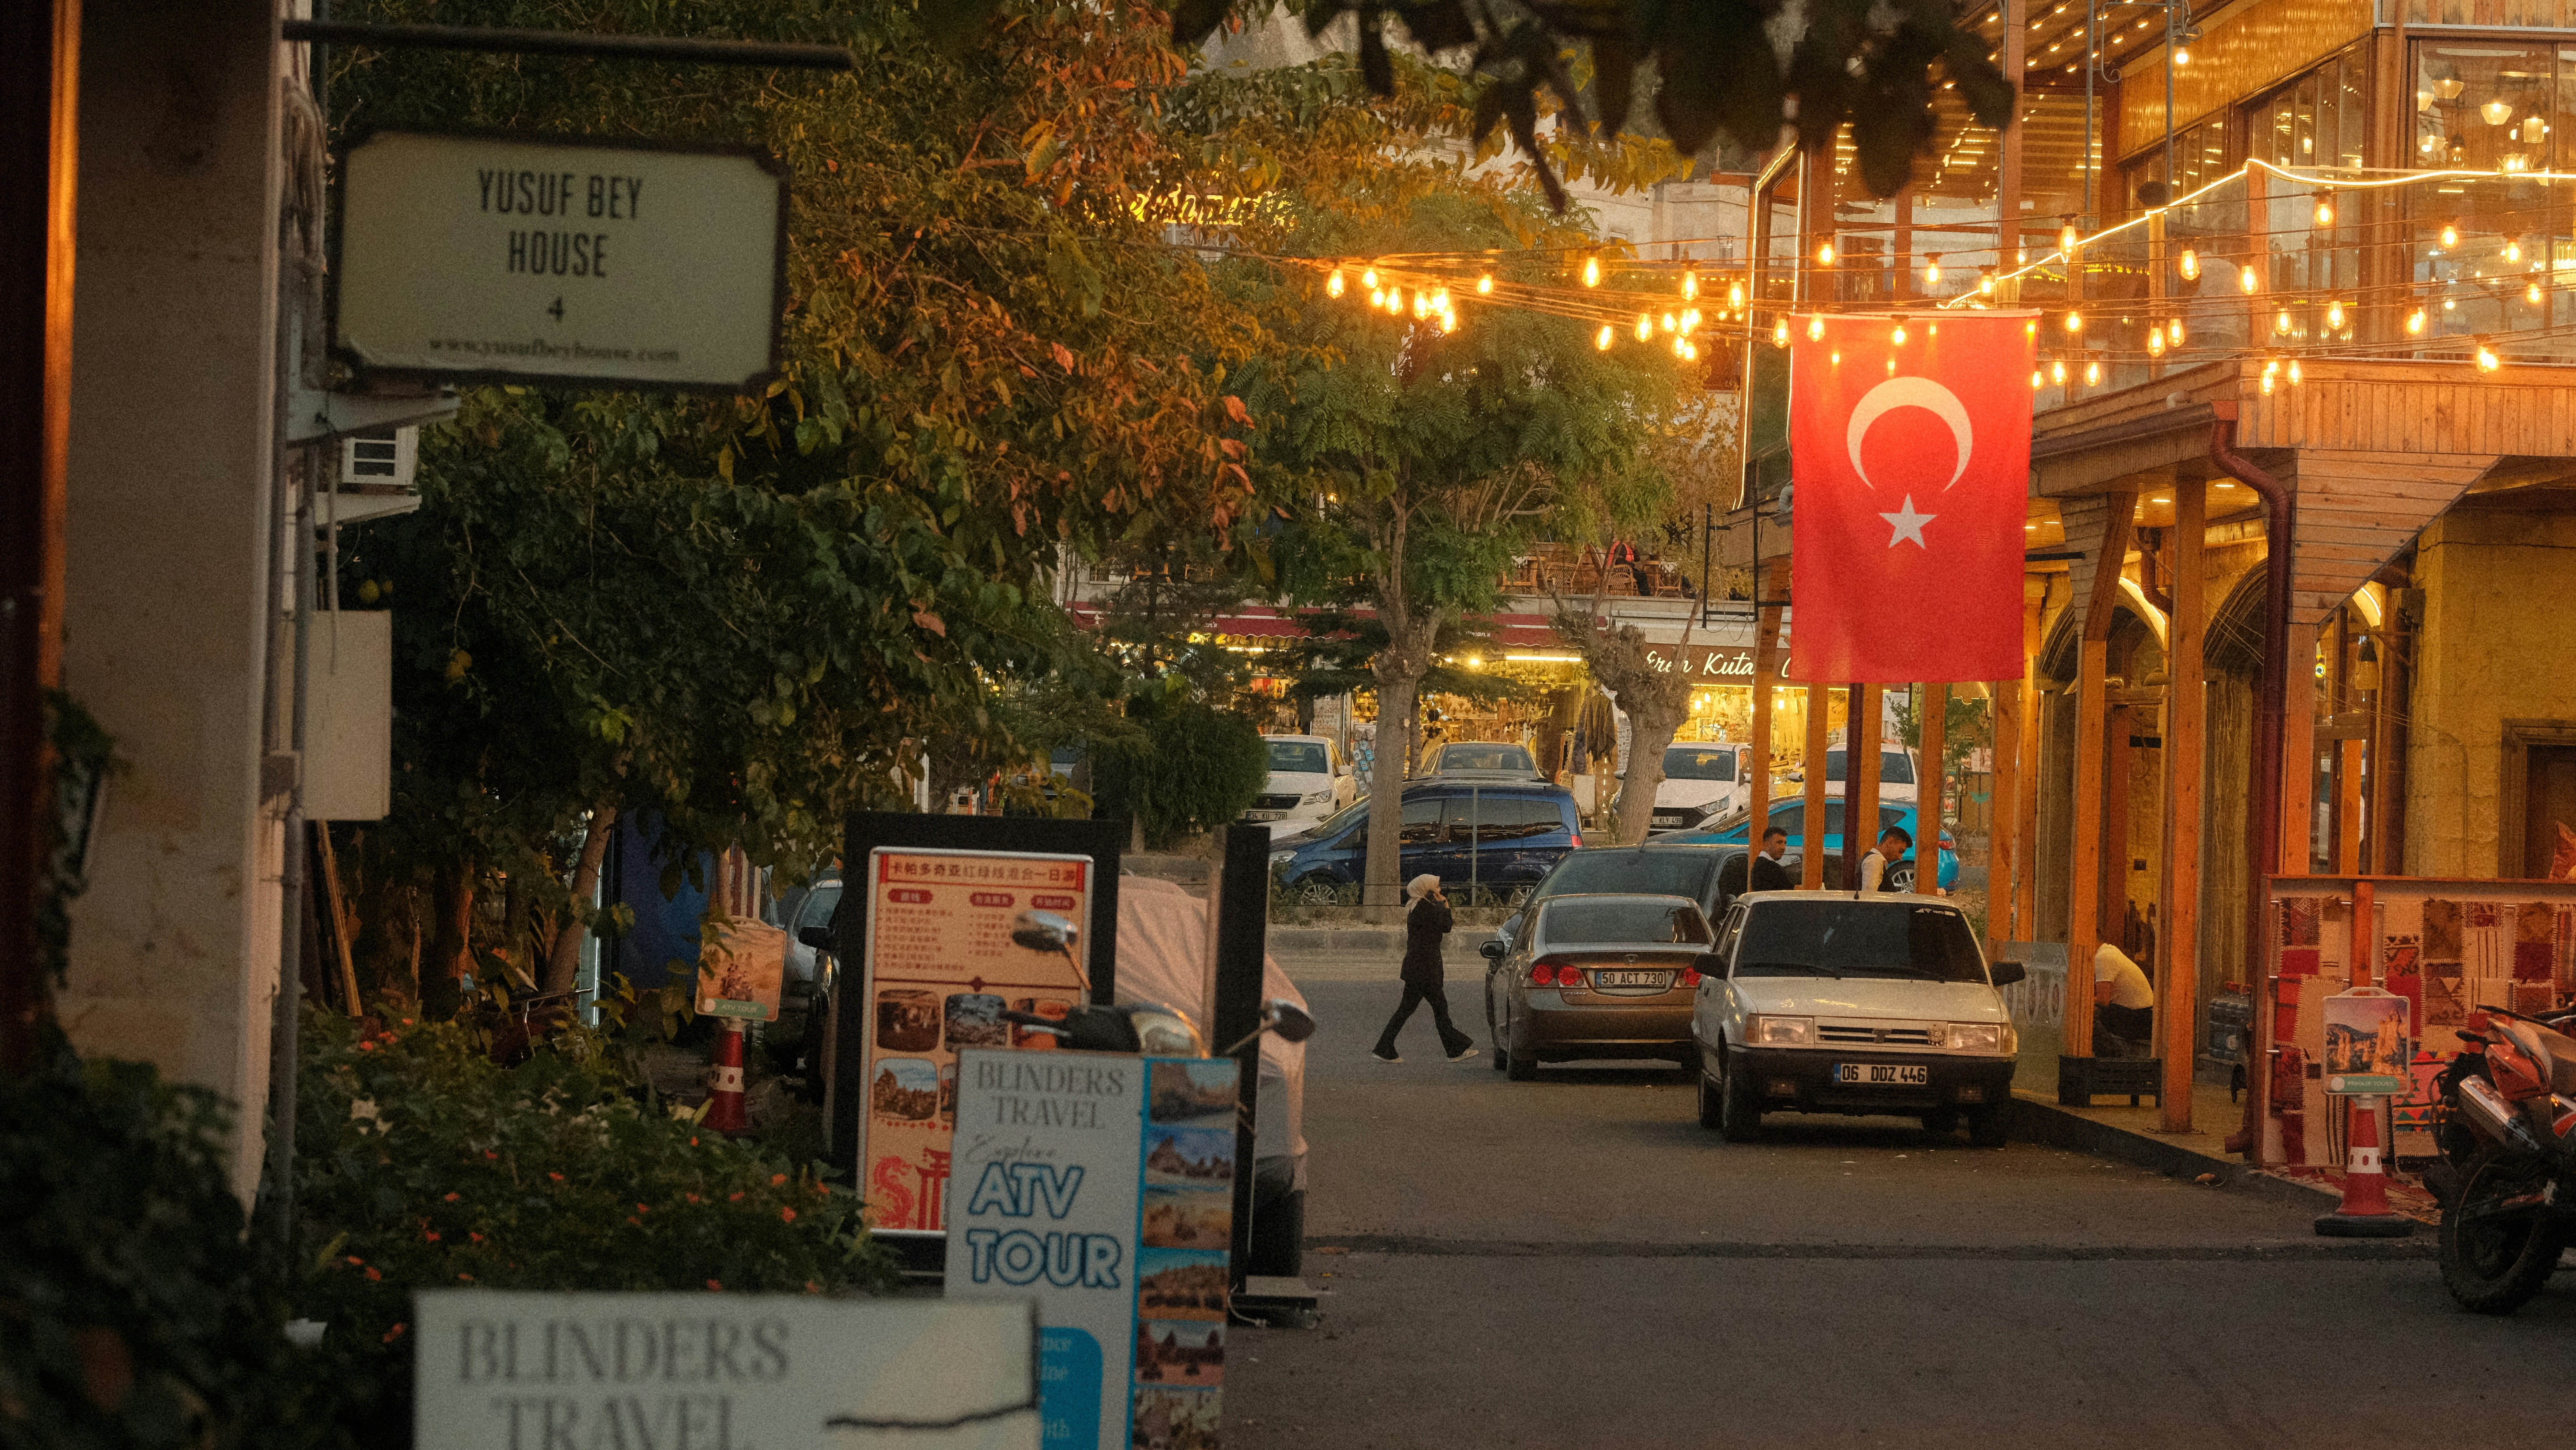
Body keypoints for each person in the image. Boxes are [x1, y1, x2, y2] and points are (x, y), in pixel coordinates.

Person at [1371, 874, 1479, 1064]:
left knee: (1412, 1010)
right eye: (1436, 888)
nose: (1440, 891)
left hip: (1419, 968)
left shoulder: (1419, 907)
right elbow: (1447, 927)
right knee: (1438, 1009)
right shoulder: (1424, 909)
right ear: (1427, 890)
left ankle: (1384, 1047)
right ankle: (1455, 1050)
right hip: (1425, 970)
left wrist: (1440, 906)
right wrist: (1445, 907)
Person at [2093, 940, 2156, 1056]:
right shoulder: (2110, 952)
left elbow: (2103, 1000)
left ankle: (2114, 1059)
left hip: (2139, 1018)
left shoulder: (2104, 957)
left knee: (2090, 1021)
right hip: (2143, 1015)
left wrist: (2080, 999)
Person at [1857, 824, 1911, 892]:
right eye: (1900, 851)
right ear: (1890, 842)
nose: (1900, 858)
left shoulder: (1873, 859)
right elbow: (1869, 897)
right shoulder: (1875, 861)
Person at [1751, 825, 1795, 892]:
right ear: (1767, 845)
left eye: (1785, 843)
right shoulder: (1770, 868)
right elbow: (1787, 895)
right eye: (1779, 842)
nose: (1784, 847)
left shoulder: (1760, 864)